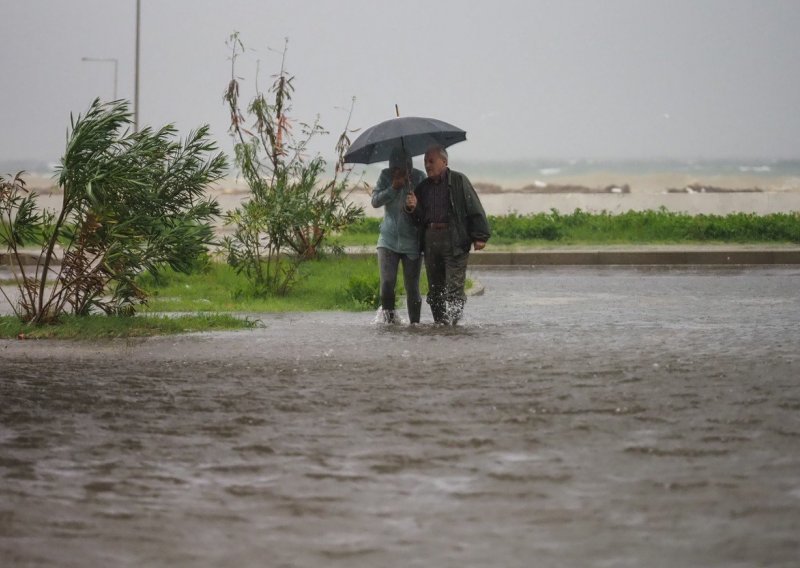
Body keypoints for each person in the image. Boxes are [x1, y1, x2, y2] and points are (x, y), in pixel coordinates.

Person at [405, 145, 490, 325]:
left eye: (431, 161)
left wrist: (480, 235)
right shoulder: (423, 187)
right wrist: (412, 208)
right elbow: (418, 219)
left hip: (455, 239)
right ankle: (440, 324)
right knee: (435, 290)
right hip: (430, 241)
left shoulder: (459, 181)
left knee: (454, 289)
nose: (427, 165)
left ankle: (454, 324)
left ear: (444, 161)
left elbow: (474, 207)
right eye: (425, 162)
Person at [371, 147, 427, 323]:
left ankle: (415, 325)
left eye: (404, 168)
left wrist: (415, 206)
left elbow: (426, 210)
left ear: (410, 165)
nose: (400, 171)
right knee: (387, 284)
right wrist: (393, 188)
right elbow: (375, 201)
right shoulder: (385, 176)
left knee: (412, 287)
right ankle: (388, 322)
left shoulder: (419, 177)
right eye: (395, 167)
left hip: (412, 242)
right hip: (388, 240)